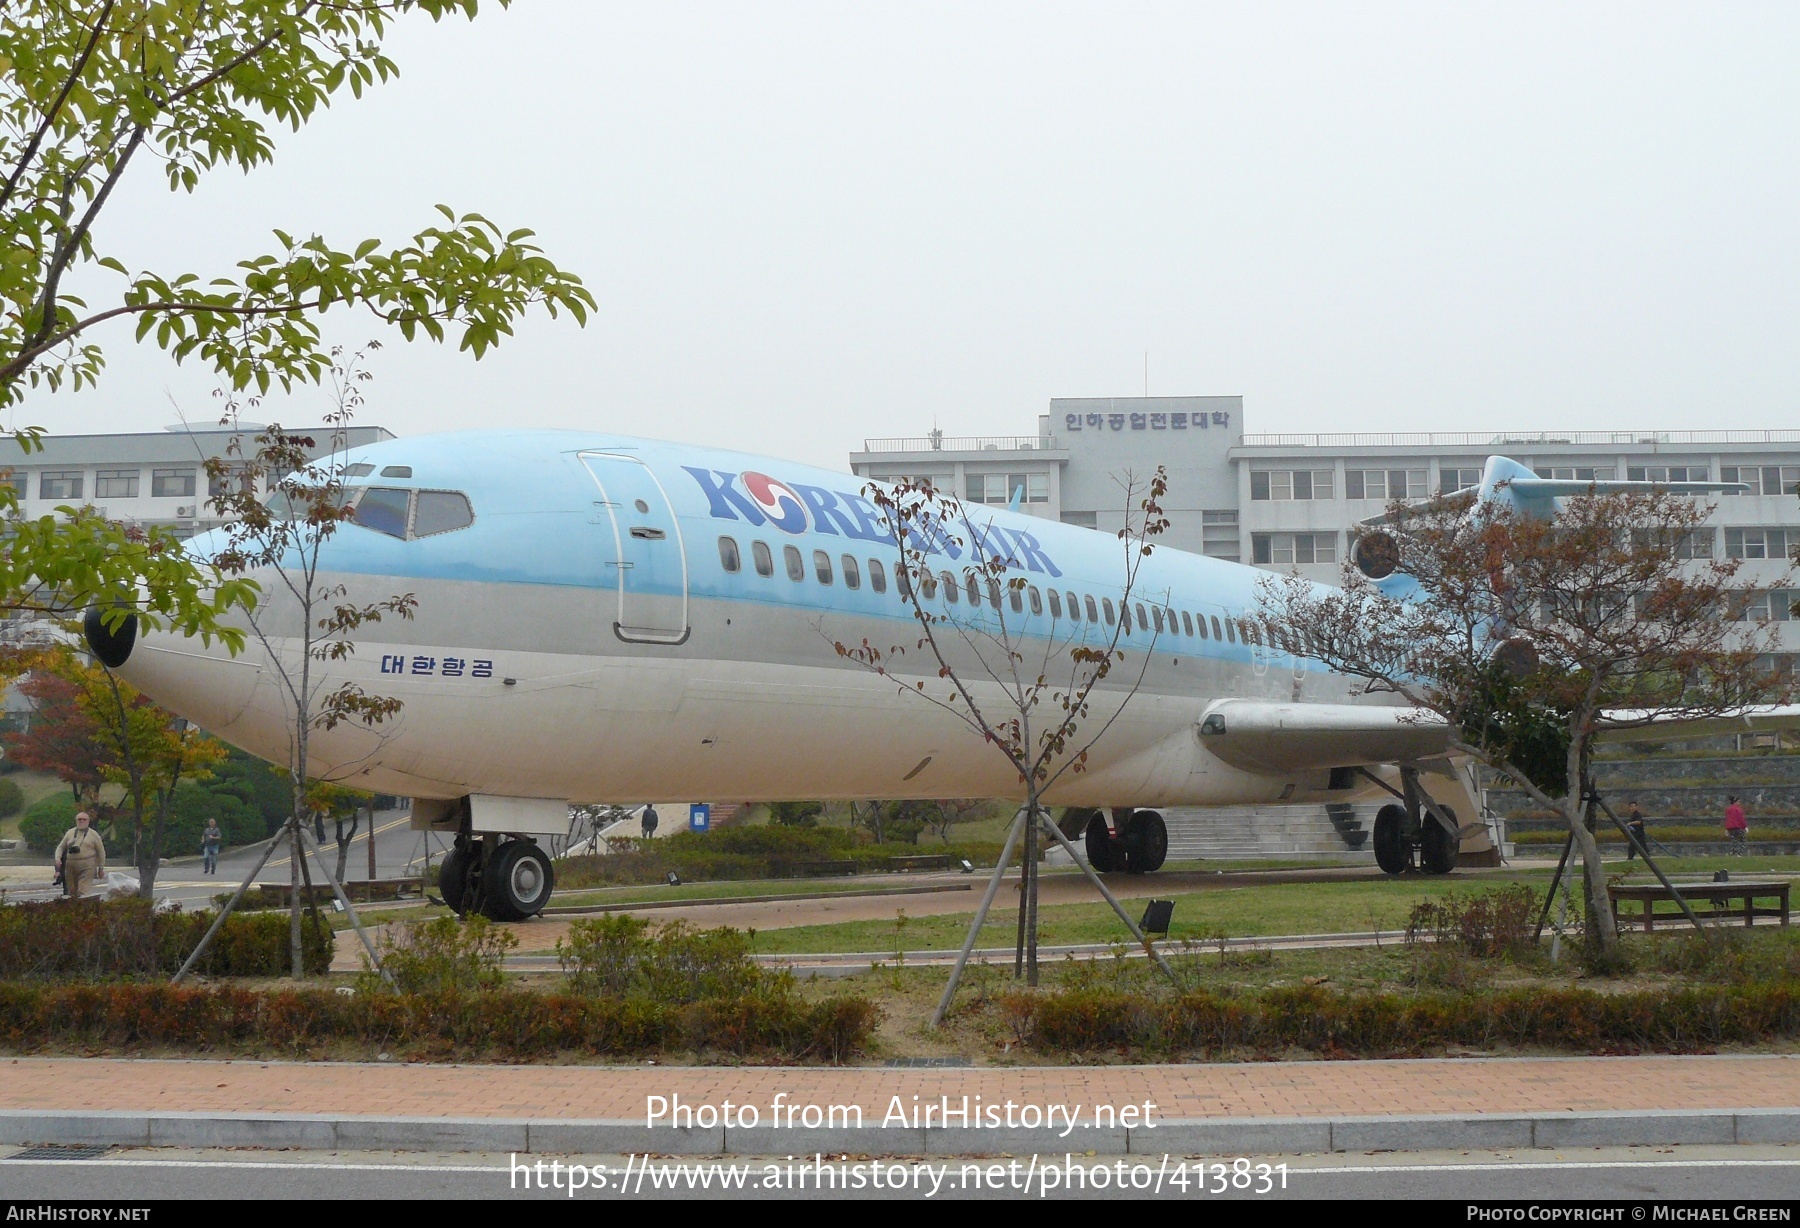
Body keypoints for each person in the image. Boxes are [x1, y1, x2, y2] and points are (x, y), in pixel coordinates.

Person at [53, 811, 106, 900]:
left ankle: (83, 908)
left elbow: (101, 852)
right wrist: (57, 859)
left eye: (84, 819)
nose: (81, 821)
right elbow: (60, 847)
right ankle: (74, 910)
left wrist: (101, 868)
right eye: (79, 819)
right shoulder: (70, 832)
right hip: (70, 866)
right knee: (72, 892)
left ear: (88, 821)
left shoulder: (94, 834)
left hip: (87, 866)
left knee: (83, 891)